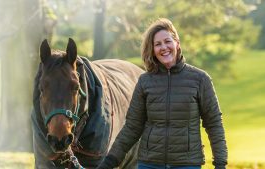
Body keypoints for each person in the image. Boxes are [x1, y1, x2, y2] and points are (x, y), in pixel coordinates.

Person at [96, 18, 228, 169]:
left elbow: (214, 123)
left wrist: (220, 163)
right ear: (152, 50)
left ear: (177, 43)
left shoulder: (200, 79)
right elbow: (132, 127)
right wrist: (109, 162)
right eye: (157, 44)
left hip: (186, 164)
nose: (163, 47)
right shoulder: (145, 82)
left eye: (167, 41)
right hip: (149, 164)